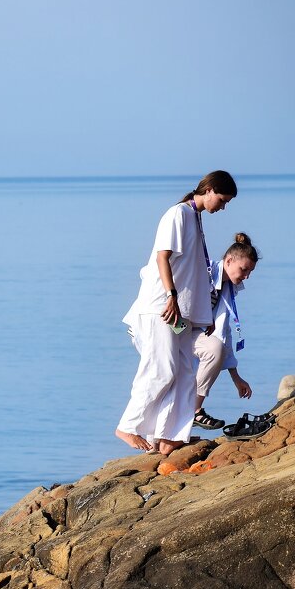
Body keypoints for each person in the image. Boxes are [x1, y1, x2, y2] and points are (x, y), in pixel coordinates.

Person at [116, 170, 237, 455]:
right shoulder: (178, 214)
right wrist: (171, 297)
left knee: (183, 374)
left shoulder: (194, 218)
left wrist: (201, 317)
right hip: (161, 308)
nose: (222, 206)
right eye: (222, 199)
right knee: (161, 369)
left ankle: (171, 437)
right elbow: (162, 257)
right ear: (209, 190)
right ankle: (127, 426)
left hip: (182, 315)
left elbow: (194, 273)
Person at [193, 233, 260, 429]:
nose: (246, 276)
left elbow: (224, 333)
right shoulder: (203, 274)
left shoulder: (227, 288)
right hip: (172, 329)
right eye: (244, 269)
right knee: (170, 378)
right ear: (229, 260)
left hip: (192, 336)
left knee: (214, 350)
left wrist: (236, 376)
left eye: (250, 272)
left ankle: (183, 426)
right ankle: (193, 412)